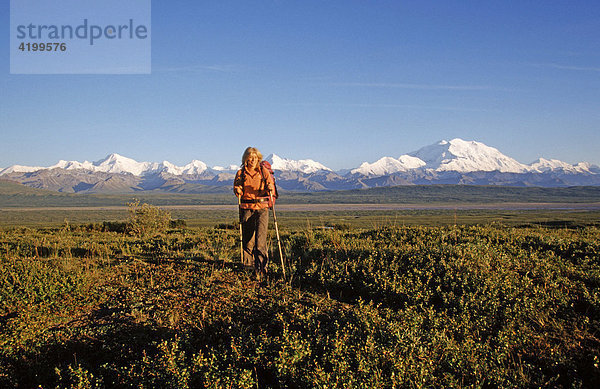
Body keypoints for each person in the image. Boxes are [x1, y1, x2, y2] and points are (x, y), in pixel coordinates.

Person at [233, 147, 275, 282]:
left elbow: (271, 188)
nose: (252, 160)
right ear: (246, 159)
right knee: (248, 239)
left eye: (255, 158)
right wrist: (237, 190)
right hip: (246, 207)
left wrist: (269, 189)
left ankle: (261, 268)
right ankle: (248, 266)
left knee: (260, 239)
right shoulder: (241, 173)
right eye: (250, 158)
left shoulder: (264, 172)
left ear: (258, 159)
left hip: (262, 207)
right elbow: (236, 188)